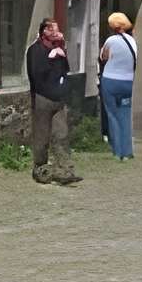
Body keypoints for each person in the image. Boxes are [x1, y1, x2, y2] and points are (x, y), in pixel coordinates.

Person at [23, 16, 80, 186]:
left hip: (58, 99)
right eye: (52, 29)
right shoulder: (35, 50)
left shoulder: (58, 47)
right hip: (42, 98)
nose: (56, 32)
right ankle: (41, 170)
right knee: (42, 136)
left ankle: (65, 170)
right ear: (45, 32)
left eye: (56, 29)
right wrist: (50, 57)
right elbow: (37, 73)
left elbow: (66, 70)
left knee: (61, 134)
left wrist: (62, 52)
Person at [97, 11, 140, 160]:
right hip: (128, 82)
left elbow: (103, 58)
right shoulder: (133, 41)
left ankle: (117, 151)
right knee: (125, 114)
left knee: (112, 115)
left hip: (110, 81)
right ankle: (128, 151)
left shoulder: (110, 41)